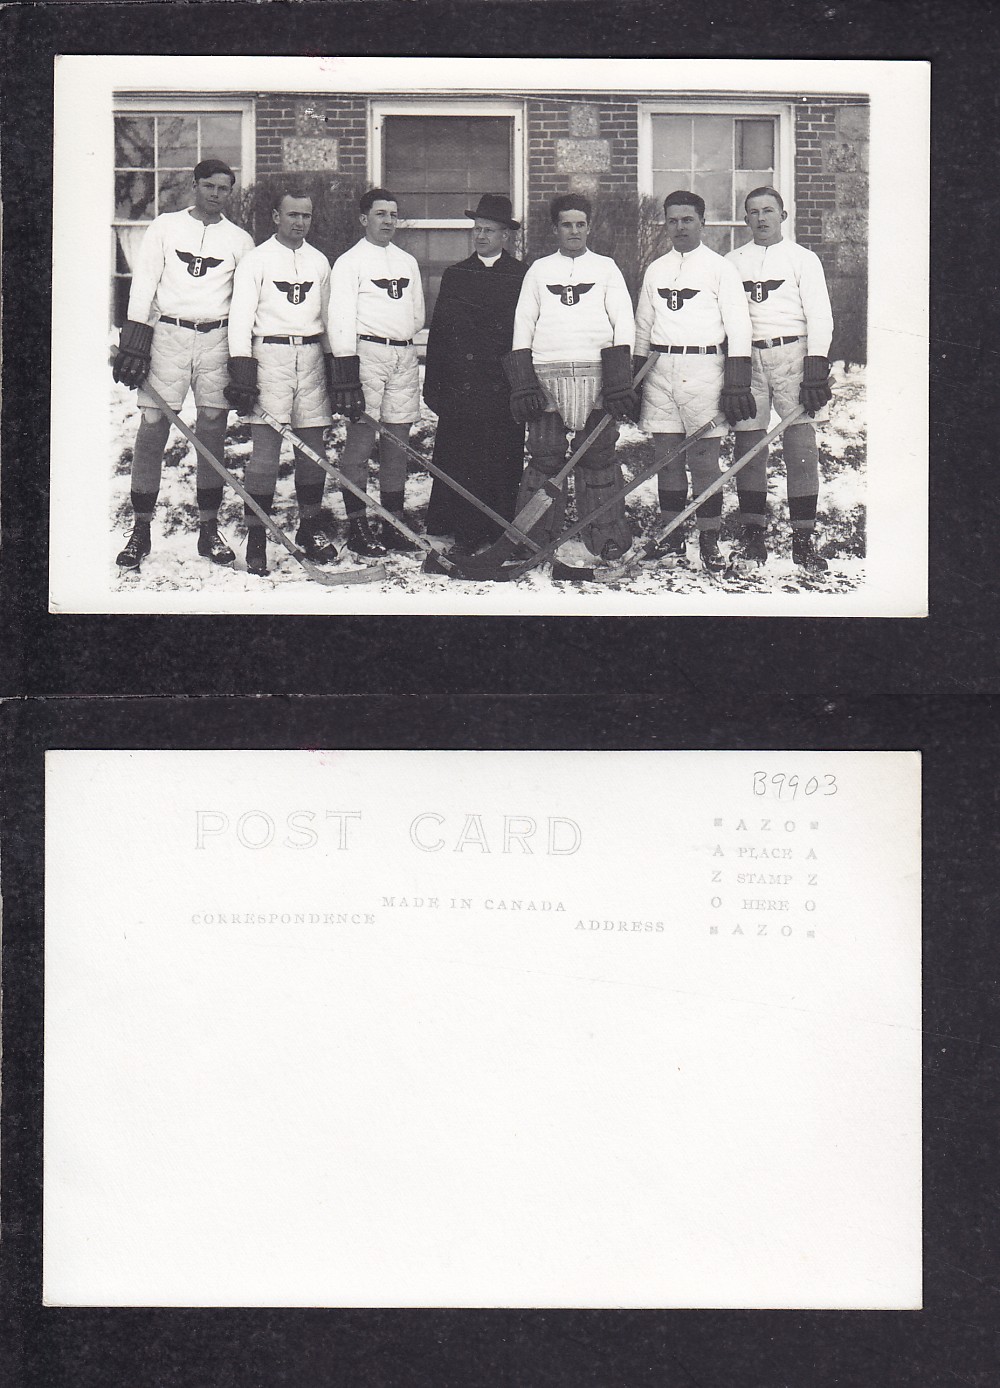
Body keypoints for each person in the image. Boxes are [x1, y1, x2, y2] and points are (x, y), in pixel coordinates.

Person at [112, 158, 254, 570]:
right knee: (153, 426)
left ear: (230, 192)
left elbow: (244, 305)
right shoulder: (165, 226)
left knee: (212, 429)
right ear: (195, 185)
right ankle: (140, 529)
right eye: (209, 186)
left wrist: (242, 359)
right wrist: (134, 341)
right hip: (169, 335)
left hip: (216, 338)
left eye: (224, 188)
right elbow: (144, 285)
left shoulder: (240, 240)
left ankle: (208, 531)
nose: (215, 194)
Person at [504, 193, 637, 564]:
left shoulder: (607, 268)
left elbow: (623, 322)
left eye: (580, 224)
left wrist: (619, 379)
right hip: (548, 374)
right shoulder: (539, 270)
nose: (574, 231)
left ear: (589, 226)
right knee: (546, 457)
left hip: (597, 375)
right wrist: (523, 381)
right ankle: (533, 540)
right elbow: (523, 323)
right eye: (567, 224)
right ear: (555, 228)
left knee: (598, 456)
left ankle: (607, 539)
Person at [633, 190, 756, 574]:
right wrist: (634, 380)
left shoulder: (720, 268)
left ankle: (709, 539)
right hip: (660, 369)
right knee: (666, 457)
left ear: (702, 222)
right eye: (673, 220)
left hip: (705, 367)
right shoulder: (656, 269)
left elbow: (739, 327)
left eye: (687, 219)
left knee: (704, 460)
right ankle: (671, 538)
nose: (680, 227)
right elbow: (642, 328)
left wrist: (736, 382)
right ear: (665, 224)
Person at [225, 189, 337, 577]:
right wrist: (242, 366)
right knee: (266, 451)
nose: (299, 222)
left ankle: (309, 527)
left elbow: (328, 318)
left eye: (305, 216)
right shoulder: (257, 260)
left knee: (313, 446)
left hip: (309, 356)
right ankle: (256, 535)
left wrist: (336, 364)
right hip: (268, 353)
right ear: (275, 216)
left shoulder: (319, 261)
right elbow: (240, 317)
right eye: (291, 215)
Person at [726, 186, 835, 572]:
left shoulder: (803, 259)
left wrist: (815, 365)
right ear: (745, 218)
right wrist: (734, 372)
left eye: (768, 210)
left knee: (800, 445)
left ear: (783, 216)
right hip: (748, 356)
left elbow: (820, 314)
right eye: (753, 212)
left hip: (793, 352)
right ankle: (753, 539)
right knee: (749, 445)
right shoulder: (732, 261)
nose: (761, 218)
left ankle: (803, 541)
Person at [422, 194, 528, 553]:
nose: (480, 236)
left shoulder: (521, 276)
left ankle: (497, 532)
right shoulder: (456, 274)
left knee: (500, 458)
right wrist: (433, 385)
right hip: (460, 387)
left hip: (501, 386)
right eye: (477, 229)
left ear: (505, 236)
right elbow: (438, 334)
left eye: (489, 230)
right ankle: (461, 532)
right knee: (460, 458)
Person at [326, 188, 426, 556]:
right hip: (366, 353)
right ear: (363, 218)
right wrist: (347, 369)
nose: (388, 221)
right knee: (361, 441)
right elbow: (339, 318)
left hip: (403, 353)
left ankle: (392, 523)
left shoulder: (407, 262)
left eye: (393, 214)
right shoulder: (350, 262)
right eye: (380, 214)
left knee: (397, 441)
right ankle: (357, 526)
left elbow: (417, 315)